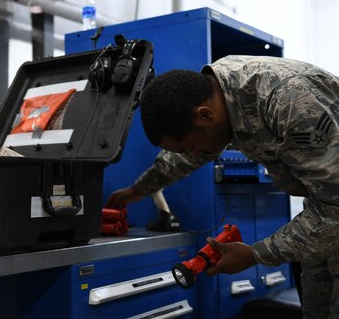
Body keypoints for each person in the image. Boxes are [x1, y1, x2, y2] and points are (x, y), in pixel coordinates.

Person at [105, 55, 339, 318]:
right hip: (323, 206)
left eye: (191, 146)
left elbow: (334, 209)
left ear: (204, 115)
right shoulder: (217, 93)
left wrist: (255, 254)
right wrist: (139, 190)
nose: (194, 153)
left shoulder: (289, 100)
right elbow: (184, 155)